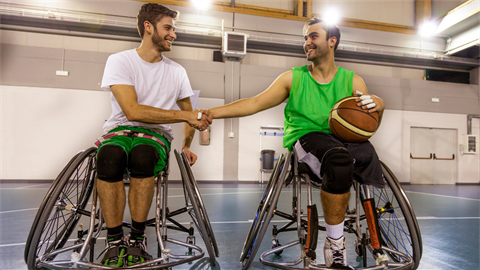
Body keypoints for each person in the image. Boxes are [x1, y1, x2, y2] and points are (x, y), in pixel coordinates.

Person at [208, 18, 385, 269]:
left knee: (365, 152)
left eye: (313, 36)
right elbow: (254, 103)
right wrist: (212, 113)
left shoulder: (353, 81)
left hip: (342, 139)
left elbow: (369, 123)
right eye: (305, 38)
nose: (307, 43)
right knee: (338, 159)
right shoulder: (293, 78)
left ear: (332, 41)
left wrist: (380, 105)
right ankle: (335, 245)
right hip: (309, 138)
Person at [96, 3, 211, 267]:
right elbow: (132, 110)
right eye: (168, 28)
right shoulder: (120, 60)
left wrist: (185, 145)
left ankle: (137, 239)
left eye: (173, 29)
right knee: (109, 155)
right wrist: (186, 116)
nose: (173, 34)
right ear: (149, 27)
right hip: (120, 129)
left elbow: (190, 115)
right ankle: (114, 241)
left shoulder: (177, 72)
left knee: (143, 155)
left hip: (154, 136)